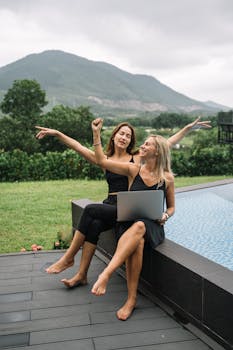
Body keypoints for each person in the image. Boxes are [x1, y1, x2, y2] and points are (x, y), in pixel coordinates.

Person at [35, 117, 210, 289]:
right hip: (109, 206)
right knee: (94, 224)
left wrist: (187, 128)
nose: (124, 137)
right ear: (114, 136)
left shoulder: (136, 159)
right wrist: (58, 133)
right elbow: (77, 146)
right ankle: (81, 275)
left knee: (90, 210)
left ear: (130, 141)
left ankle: (68, 258)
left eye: (128, 136)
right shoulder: (104, 159)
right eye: (122, 133)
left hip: (128, 207)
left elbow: (165, 144)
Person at [91, 118, 175, 320]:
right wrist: (96, 133)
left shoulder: (168, 178)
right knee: (136, 241)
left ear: (156, 152)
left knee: (139, 226)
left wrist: (165, 215)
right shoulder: (133, 169)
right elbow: (102, 161)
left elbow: (171, 207)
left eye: (147, 144)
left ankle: (106, 274)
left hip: (152, 226)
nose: (142, 146)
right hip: (128, 224)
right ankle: (131, 299)